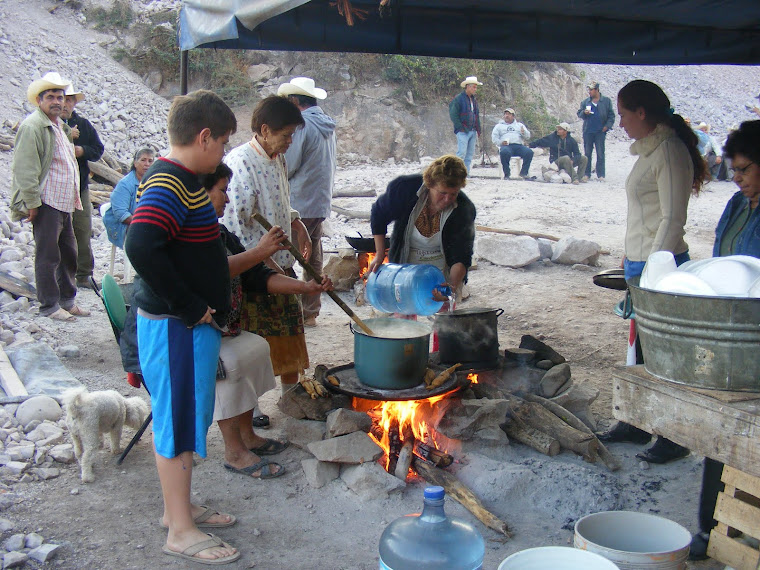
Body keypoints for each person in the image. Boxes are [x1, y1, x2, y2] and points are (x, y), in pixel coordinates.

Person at [124, 89, 240, 565]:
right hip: (175, 326)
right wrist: (191, 307)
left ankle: (180, 508)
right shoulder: (168, 183)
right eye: (225, 142)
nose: (225, 152)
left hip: (187, 325)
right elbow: (140, 245)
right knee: (174, 422)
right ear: (205, 135)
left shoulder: (187, 178)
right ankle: (180, 530)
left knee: (186, 416)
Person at [598, 79, 708, 464]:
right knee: (639, 347)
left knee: (667, 353)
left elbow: (673, 218)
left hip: (662, 264)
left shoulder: (670, 151)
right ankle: (637, 421)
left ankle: (673, 434)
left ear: (642, 112)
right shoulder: (649, 150)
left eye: (625, 114)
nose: (621, 123)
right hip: (640, 263)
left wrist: (655, 269)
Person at [201, 163, 332, 479]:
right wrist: (260, 251)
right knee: (231, 363)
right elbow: (216, 271)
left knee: (256, 349)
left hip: (225, 329)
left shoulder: (220, 233)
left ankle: (247, 436)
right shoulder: (191, 238)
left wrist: (306, 286)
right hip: (197, 334)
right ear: (198, 193)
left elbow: (257, 277)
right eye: (221, 191)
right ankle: (234, 452)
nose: (227, 201)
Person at [689, 120, 760, 560]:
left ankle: (745, 530)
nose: (735, 178)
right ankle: (711, 528)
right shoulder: (736, 204)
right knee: (723, 432)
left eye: (745, 169)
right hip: (731, 333)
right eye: (733, 170)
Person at [222, 95, 312, 396]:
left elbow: (282, 202)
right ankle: (254, 409)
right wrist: (266, 261)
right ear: (264, 129)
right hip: (255, 269)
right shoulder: (239, 163)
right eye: (286, 135)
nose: (289, 142)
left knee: (289, 332)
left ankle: (292, 397)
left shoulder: (278, 158)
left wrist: (298, 225)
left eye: (292, 135)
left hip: (281, 260)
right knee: (255, 342)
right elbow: (236, 226)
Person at [10, 72, 89, 321]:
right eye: (51, 97)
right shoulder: (33, 126)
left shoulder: (59, 126)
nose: (57, 101)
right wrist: (32, 203)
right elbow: (25, 169)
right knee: (48, 255)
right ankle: (49, 306)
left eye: (60, 96)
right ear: (39, 100)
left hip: (63, 202)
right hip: (46, 202)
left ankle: (68, 301)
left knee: (69, 253)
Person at [368, 154, 476, 303]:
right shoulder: (405, 189)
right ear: (430, 184)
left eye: (453, 194)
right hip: (405, 265)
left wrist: (449, 287)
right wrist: (380, 254)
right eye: (442, 193)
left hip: (441, 268)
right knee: (404, 312)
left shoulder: (463, 210)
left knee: (442, 315)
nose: (447, 200)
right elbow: (378, 214)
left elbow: (462, 255)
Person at [278, 77, 337, 327]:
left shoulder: (302, 126)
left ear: (294, 101)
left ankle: (288, 311)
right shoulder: (325, 124)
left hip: (300, 203)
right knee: (313, 258)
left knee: (287, 257)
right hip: (319, 202)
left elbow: (287, 165)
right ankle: (310, 312)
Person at [61, 82, 104, 290]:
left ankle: (84, 274)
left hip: (80, 186)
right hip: (57, 188)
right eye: (63, 98)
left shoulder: (83, 125)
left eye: (69, 100)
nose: (65, 103)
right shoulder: (49, 125)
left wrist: (81, 150)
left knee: (83, 228)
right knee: (59, 231)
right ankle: (60, 274)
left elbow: (97, 149)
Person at [103, 148, 155, 249]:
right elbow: (121, 214)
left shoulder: (154, 181)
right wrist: (142, 226)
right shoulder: (125, 184)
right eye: (143, 160)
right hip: (124, 224)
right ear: (135, 163)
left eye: (150, 161)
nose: (147, 164)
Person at [577, 81, 615, 181]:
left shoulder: (606, 101)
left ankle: (601, 175)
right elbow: (579, 113)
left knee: (600, 153)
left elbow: (611, 116)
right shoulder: (585, 102)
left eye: (591, 90)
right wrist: (584, 113)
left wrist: (607, 126)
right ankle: (586, 174)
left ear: (597, 90)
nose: (589, 91)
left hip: (600, 132)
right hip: (588, 131)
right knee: (587, 153)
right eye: (589, 89)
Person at [449, 76, 482, 173]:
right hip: (463, 131)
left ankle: (466, 174)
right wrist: (460, 127)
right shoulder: (458, 99)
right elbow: (453, 114)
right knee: (461, 154)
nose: (475, 89)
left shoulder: (473, 100)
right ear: (467, 86)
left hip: (472, 130)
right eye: (473, 87)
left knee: (469, 155)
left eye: (476, 87)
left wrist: (478, 129)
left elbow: (476, 115)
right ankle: (456, 174)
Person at [491, 108, 534, 180]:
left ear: (513, 116)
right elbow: (494, 139)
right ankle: (507, 174)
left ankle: (524, 173)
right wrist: (501, 142)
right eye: (505, 114)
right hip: (506, 146)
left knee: (529, 152)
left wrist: (523, 133)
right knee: (504, 152)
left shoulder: (519, 125)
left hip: (518, 146)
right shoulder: (499, 126)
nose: (506, 116)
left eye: (509, 114)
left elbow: (527, 137)